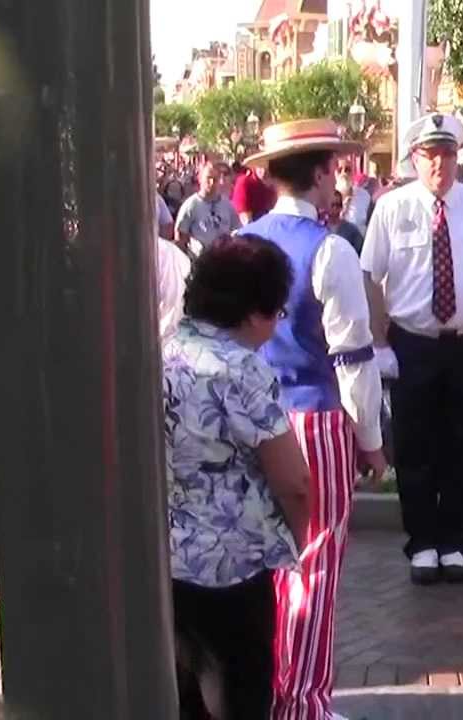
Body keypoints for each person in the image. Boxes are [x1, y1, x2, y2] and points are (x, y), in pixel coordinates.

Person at [239, 119, 385, 720]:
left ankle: (263, 692)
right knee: (314, 564)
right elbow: (353, 357)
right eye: (335, 170)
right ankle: (301, 704)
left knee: (262, 567)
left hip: (250, 421)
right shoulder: (330, 250)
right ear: (323, 173)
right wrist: (371, 439)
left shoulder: (239, 245)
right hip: (314, 422)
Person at [163, 236, 311, 720]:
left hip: (166, 559)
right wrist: (297, 534)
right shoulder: (242, 370)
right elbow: (293, 481)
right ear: (253, 312)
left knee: (183, 698)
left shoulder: (163, 352)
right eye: (277, 313)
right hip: (234, 566)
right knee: (241, 694)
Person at [362, 113, 463, 584]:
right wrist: (380, 342)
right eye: (431, 154)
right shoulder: (392, 207)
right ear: (415, 158)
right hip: (413, 342)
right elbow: (370, 275)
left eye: (448, 153)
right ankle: (422, 542)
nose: (440, 162)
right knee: (416, 446)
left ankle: (455, 542)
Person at [176, 162, 242, 256]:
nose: (211, 183)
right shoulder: (191, 205)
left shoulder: (227, 205)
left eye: (215, 179)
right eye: (208, 178)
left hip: (223, 258)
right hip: (199, 259)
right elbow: (180, 236)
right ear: (200, 179)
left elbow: (236, 229)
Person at [336, 161, 372, 235]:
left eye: (347, 169)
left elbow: (371, 224)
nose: (344, 173)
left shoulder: (364, 196)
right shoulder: (327, 196)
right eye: (340, 170)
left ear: (353, 173)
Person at [328, 190, 365, 255]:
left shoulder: (351, 230)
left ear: (341, 207)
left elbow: (360, 252)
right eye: (332, 205)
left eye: (338, 205)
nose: (335, 208)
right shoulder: (319, 228)